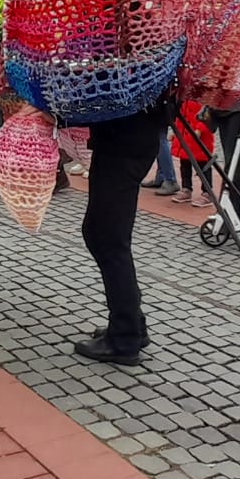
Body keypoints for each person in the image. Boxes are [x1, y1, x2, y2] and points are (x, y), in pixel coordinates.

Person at [75, 102, 170, 365]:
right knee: (103, 234)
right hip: (125, 138)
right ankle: (132, 324)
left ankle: (124, 337)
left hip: (124, 140)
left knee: (107, 238)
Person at [172, 100, 217, 206]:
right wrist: (176, 132)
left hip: (200, 137)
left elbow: (208, 114)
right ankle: (186, 188)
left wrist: (200, 129)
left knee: (203, 166)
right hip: (185, 135)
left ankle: (207, 192)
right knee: (184, 164)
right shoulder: (185, 97)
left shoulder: (203, 97)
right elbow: (180, 115)